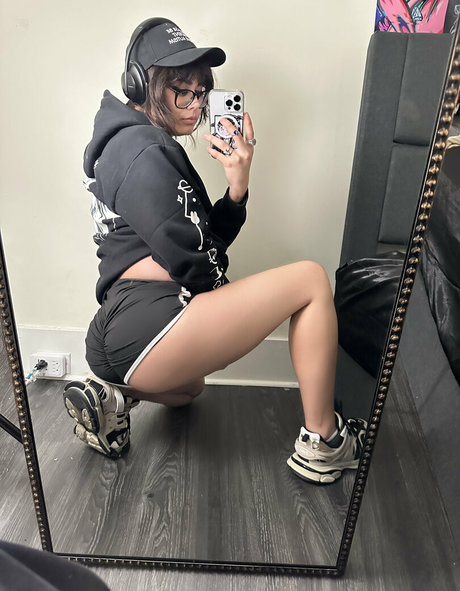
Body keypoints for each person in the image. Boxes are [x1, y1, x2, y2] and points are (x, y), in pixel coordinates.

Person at [63, 17, 367, 485]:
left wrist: (236, 188)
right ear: (140, 85)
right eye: (181, 92)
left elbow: (195, 243)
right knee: (310, 280)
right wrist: (212, 274)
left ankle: (113, 398)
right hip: (147, 323)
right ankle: (325, 442)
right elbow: (202, 267)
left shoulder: (124, 144)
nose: (196, 106)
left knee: (190, 389)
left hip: (118, 331)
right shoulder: (143, 153)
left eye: (201, 93)